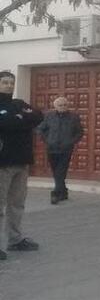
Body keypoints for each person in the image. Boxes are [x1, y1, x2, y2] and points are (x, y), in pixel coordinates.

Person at [0, 71, 44, 261]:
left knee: (17, 204)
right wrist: (21, 119)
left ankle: (15, 240)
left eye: (11, 82)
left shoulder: (18, 103)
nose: (9, 85)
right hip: (3, 164)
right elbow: (6, 124)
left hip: (22, 162)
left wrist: (18, 118)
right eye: (4, 82)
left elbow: (38, 116)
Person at [38, 97, 84, 205]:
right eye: (60, 105)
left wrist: (71, 141)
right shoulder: (49, 116)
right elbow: (41, 129)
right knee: (56, 171)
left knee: (61, 171)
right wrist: (47, 140)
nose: (62, 107)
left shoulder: (73, 117)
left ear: (67, 106)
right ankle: (63, 192)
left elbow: (79, 132)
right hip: (52, 148)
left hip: (66, 149)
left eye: (64, 105)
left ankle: (55, 193)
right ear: (55, 107)